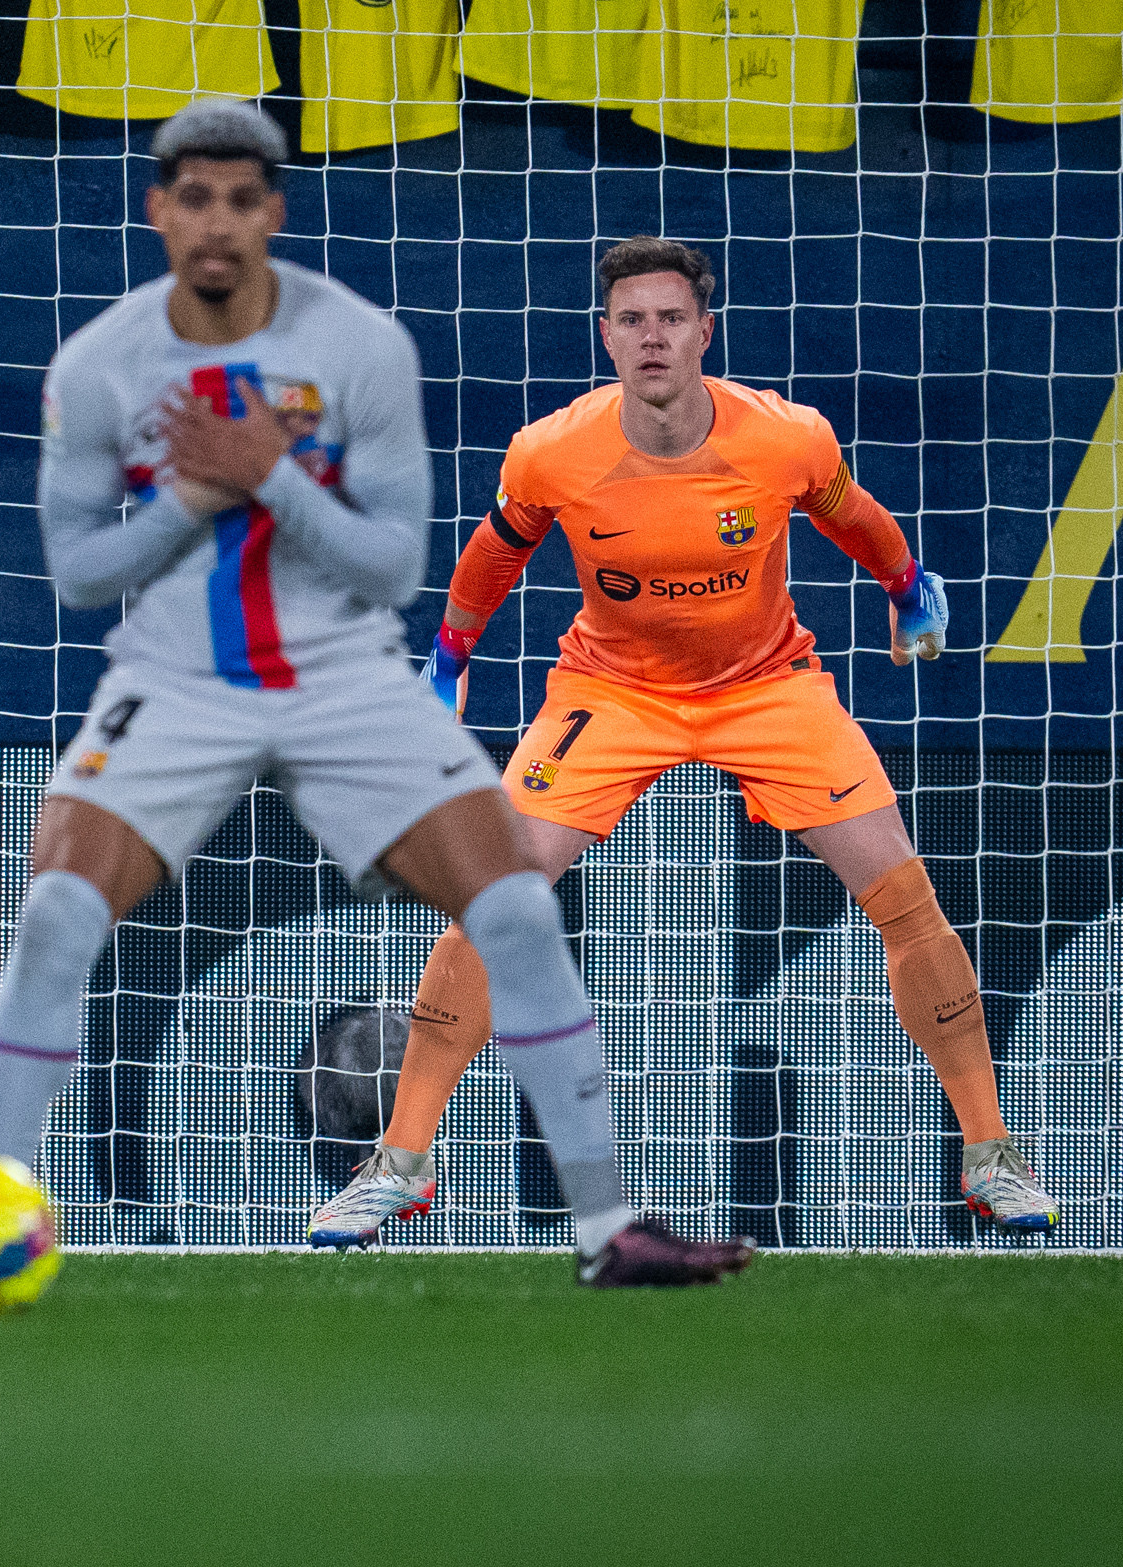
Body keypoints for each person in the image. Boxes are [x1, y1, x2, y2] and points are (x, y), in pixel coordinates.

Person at [0, 100, 751, 1287]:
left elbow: (393, 564)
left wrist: (269, 474)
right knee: (54, 916)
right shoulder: (102, 365)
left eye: (243, 198)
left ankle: (610, 1227)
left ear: (274, 211)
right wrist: (191, 499)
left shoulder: (360, 348)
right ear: (159, 212)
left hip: (344, 676)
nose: (219, 222)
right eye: (196, 198)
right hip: (176, 683)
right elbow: (78, 572)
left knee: (516, 911)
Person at [308, 237, 1060, 1247]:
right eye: (633, 319)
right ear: (606, 336)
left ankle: (992, 1157)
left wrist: (908, 584)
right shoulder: (552, 451)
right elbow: (496, 550)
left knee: (902, 890)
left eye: (672, 317)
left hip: (766, 689)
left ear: (705, 332)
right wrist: (448, 658)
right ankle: (398, 1162)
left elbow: (855, 516)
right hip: (610, 692)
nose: (652, 335)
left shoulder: (786, 438)